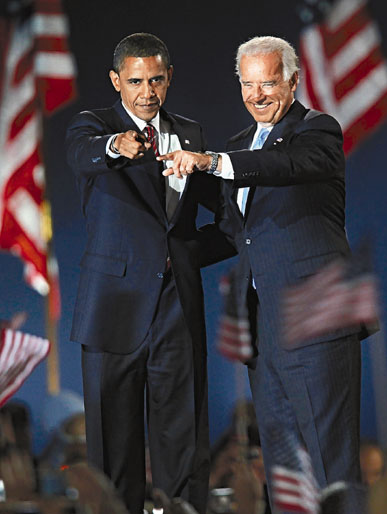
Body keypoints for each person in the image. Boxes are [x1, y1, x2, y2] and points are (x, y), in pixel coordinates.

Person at [158, 36, 367, 499]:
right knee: (283, 469)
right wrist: (170, 256)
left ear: (293, 81)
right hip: (263, 327)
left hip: (315, 318)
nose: (257, 96)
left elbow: (283, 165)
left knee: (329, 465)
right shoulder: (239, 147)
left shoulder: (317, 132)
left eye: (268, 83)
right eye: (248, 85)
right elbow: (234, 232)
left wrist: (211, 162)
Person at [65, 32, 234, 514]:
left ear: (169, 77)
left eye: (156, 79)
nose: (147, 91)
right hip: (112, 309)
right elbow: (84, 154)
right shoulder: (94, 127)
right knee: (113, 454)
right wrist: (117, 146)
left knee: (183, 445)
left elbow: (223, 216)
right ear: (116, 80)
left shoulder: (191, 135)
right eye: (136, 81)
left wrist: (186, 256)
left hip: (177, 308)